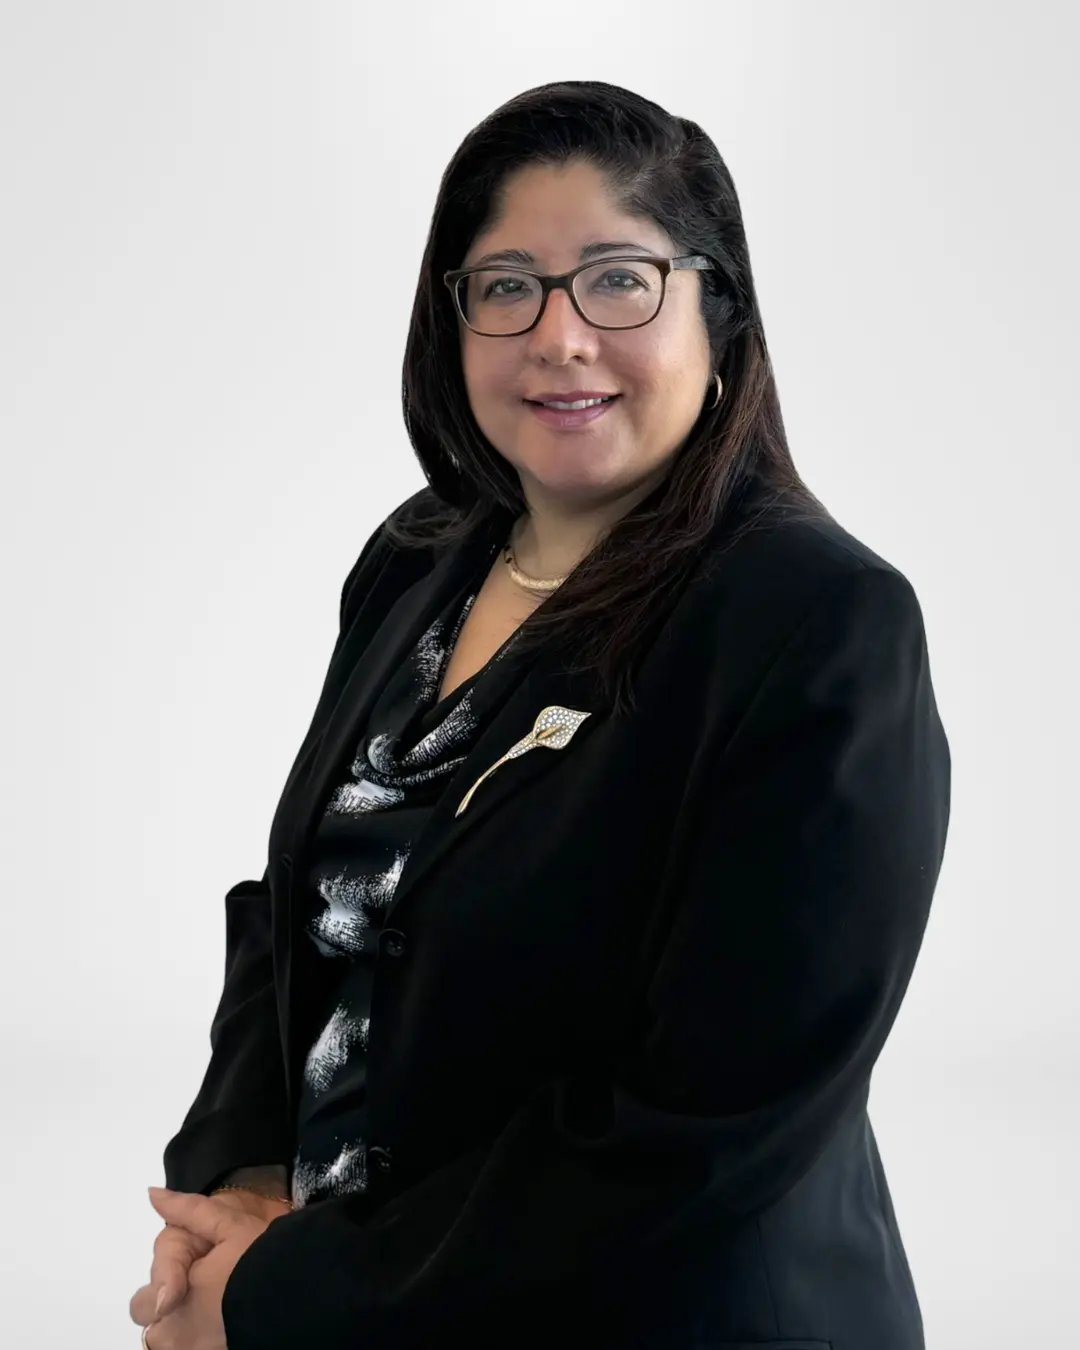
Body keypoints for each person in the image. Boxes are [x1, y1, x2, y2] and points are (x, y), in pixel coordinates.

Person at [129, 79, 951, 1350]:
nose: (559, 337)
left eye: (619, 280)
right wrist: (240, 1187)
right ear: (450, 323)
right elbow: (306, 905)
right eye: (505, 285)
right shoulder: (417, 563)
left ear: (717, 314)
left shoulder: (818, 624)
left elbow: (705, 1126)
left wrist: (283, 1300)